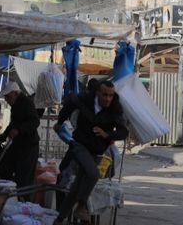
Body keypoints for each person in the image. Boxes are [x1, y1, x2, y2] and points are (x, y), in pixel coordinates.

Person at [54, 80, 128, 224]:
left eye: (111, 96)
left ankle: (59, 219)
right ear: (97, 93)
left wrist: (108, 134)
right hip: (79, 144)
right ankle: (82, 206)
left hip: (95, 151)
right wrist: (60, 121)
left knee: (76, 188)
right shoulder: (84, 99)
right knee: (93, 174)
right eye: (105, 95)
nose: (107, 99)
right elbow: (69, 102)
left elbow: (123, 131)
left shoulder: (115, 107)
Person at [0, 81, 40, 189]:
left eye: (8, 96)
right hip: (18, 143)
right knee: (7, 168)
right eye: (5, 97)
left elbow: (35, 122)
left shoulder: (26, 102)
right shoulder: (15, 105)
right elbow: (13, 123)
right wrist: (4, 135)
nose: (6, 99)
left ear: (15, 93)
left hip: (29, 145)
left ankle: (23, 199)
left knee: (23, 175)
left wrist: (19, 130)